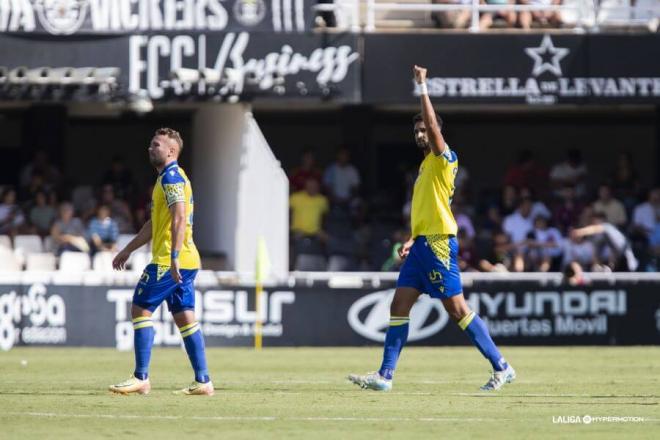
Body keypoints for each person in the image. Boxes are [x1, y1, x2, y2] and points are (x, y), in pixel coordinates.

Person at [348, 65, 515, 393]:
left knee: (457, 310)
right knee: (398, 306)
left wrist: (422, 87)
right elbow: (428, 210)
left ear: (437, 131)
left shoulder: (443, 158)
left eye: (426, 129)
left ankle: (502, 366)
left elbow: (437, 135)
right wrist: (412, 239)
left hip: (439, 245)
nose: (420, 134)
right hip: (423, 245)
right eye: (417, 131)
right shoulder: (424, 166)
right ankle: (385, 376)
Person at [109, 128, 213, 396]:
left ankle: (140, 377)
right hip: (186, 259)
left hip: (170, 259)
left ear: (171, 150)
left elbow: (179, 218)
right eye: (150, 144)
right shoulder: (165, 179)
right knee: (185, 318)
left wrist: (174, 256)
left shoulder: (171, 178)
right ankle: (203, 381)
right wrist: (128, 249)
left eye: (155, 144)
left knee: (140, 310)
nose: (150, 148)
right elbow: (155, 224)